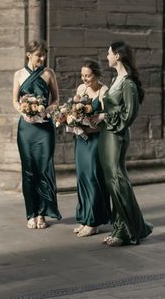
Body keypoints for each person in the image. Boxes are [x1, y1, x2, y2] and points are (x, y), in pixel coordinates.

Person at [91, 41, 153, 246]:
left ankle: (128, 230)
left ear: (117, 56)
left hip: (116, 135)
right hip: (107, 135)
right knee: (113, 181)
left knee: (117, 180)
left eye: (109, 53)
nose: (107, 56)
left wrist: (103, 117)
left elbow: (128, 115)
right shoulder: (115, 79)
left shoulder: (128, 83)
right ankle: (120, 228)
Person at [12, 40, 62, 229]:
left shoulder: (49, 73)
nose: (42, 58)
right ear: (28, 55)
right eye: (38, 55)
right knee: (28, 170)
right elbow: (15, 100)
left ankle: (42, 213)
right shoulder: (18, 74)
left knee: (44, 168)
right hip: (26, 129)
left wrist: (45, 110)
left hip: (44, 128)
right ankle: (30, 214)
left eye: (44, 55)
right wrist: (24, 111)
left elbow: (56, 99)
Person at [72, 60, 111, 237]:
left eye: (87, 75)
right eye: (82, 75)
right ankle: (84, 218)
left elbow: (107, 115)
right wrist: (71, 118)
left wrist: (96, 119)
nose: (84, 78)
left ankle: (94, 222)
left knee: (93, 177)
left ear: (96, 74)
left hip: (96, 139)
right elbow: (75, 111)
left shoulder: (104, 91)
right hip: (81, 139)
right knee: (82, 177)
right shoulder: (81, 89)